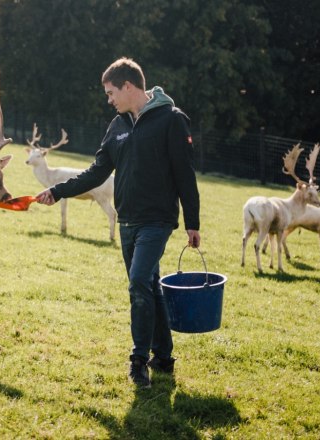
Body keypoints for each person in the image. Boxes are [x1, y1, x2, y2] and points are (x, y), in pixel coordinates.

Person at [35, 57, 201, 388]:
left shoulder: (171, 119)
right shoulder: (118, 126)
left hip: (157, 220)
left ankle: (138, 360)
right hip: (127, 221)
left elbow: (185, 173)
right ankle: (164, 357)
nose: (109, 100)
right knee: (149, 286)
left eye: (111, 93)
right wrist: (58, 190)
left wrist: (192, 222)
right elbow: (97, 171)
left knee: (138, 281)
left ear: (128, 86)